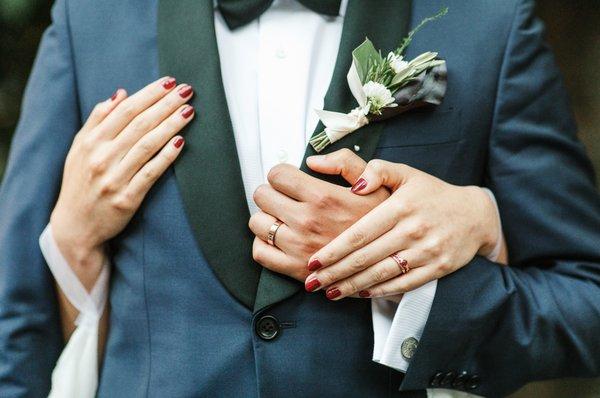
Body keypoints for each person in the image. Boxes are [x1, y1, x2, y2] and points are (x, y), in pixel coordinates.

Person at [0, 0, 598, 397]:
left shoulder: (487, 22)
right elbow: (15, 315)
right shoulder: (92, 19)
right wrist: (72, 231)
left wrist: (417, 285)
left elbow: (584, 301)